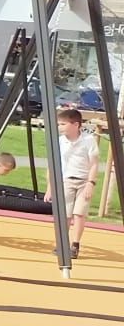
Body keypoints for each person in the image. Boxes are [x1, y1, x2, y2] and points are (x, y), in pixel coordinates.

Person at [52, 107, 99, 257]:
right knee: (65, 214)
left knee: (79, 213)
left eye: (63, 124)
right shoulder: (60, 141)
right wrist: (50, 186)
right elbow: (54, 163)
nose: (60, 127)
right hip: (66, 180)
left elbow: (94, 164)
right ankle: (62, 243)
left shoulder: (88, 140)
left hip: (84, 181)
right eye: (59, 124)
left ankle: (75, 244)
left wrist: (91, 183)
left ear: (76, 125)